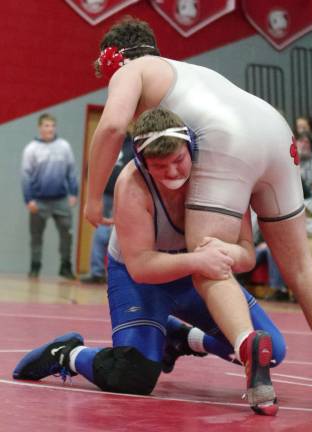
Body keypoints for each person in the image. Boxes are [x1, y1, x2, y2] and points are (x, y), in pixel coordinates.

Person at [84, 17, 312, 409]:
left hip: (227, 139)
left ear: (116, 58)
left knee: (207, 254)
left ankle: (246, 347)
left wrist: (90, 199)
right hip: (274, 129)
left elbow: (112, 126)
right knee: (302, 267)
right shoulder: (189, 73)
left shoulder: (133, 69)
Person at [14, 108, 286, 416]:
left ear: (191, 148)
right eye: (160, 166)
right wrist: (199, 258)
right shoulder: (131, 185)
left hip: (197, 274)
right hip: (141, 278)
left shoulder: (217, 174)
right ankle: (67, 354)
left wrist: (226, 255)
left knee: (271, 352)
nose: (172, 173)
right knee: (133, 377)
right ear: (142, 162)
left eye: (178, 161)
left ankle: (182, 338)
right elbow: (141, 266)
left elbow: (247, 253)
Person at [21, 113, 78, 279]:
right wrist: (29, 199)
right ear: (40, 128)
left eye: (52, 125)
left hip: (61, 200)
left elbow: (72, 172)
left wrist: (73, 193)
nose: (50, 129)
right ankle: (35, 267)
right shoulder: (31, 149)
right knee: (36, 237)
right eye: (46, 126)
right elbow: (26, 176)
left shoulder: (64, 146)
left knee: (67, 234)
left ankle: (65, 267)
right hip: (38, 201)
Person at [80, 133, 134, 284]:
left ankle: (125, 272)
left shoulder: (133, 144)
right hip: (105, 195)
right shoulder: (105, 142)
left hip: (124, 195)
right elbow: (91, 165)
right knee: (100, 232)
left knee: (123, 233)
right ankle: (97, 272)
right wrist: (93, 195)